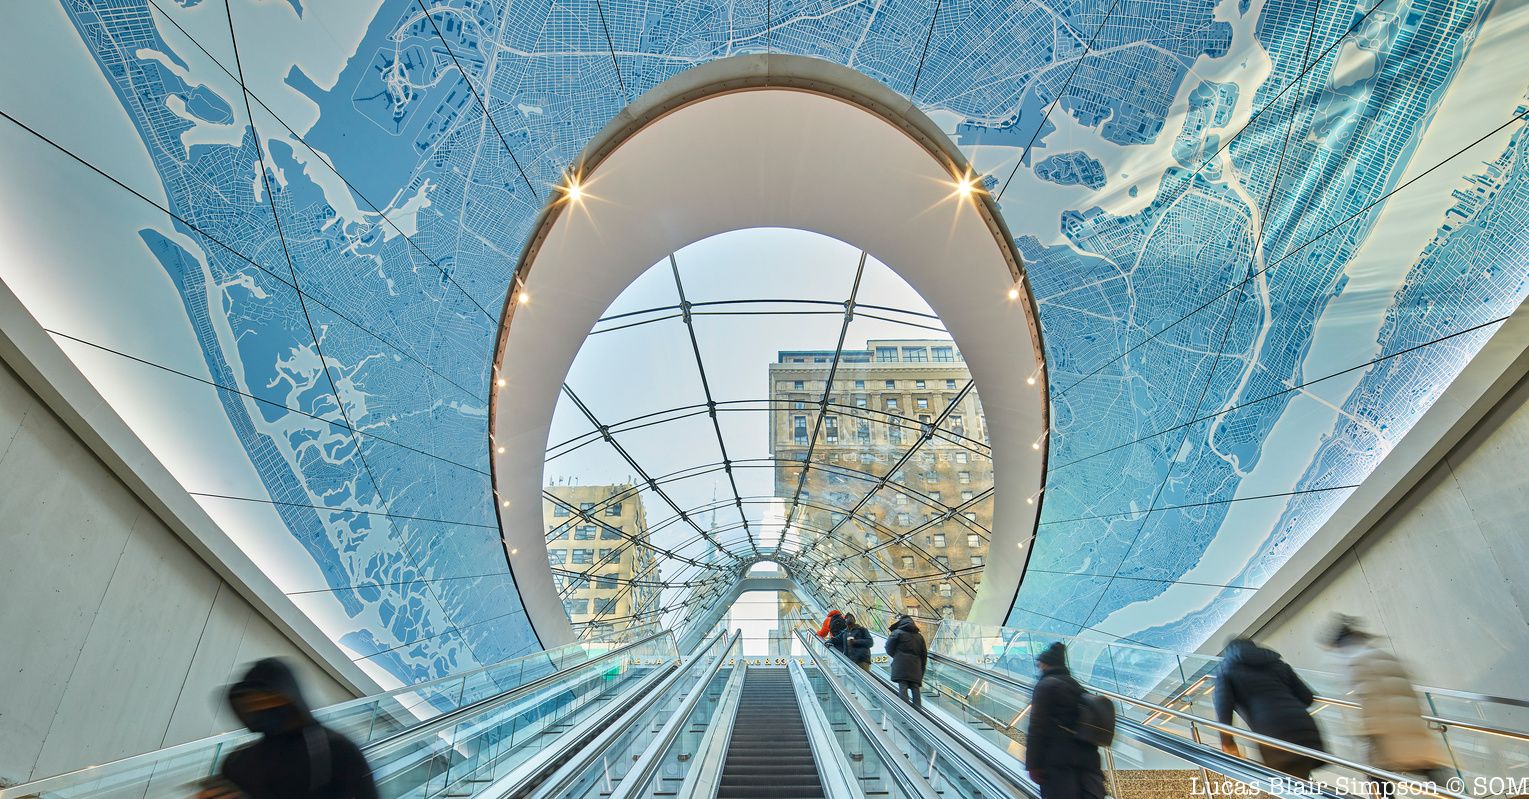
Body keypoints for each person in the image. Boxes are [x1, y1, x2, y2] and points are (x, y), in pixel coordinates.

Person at [196, 658, 378, 799]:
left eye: (270, 699)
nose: (260, 708)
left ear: (291, 699)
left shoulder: (337, 751)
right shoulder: (239, 759)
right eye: (252, 703)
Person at [1325, 616, 1453, 785]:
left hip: (1389, 738)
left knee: (1375, 776)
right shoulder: (1384, 656)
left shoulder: (1356, 662)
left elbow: (1369, 701)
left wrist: (1367, 733)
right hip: (1412, 730)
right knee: (1432, 773)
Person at [1213, 638, 1326, 780]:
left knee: (1284, 788)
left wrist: (1228, 744)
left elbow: (1223, 712)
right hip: (1306, 729)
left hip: (1275, 737)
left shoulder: (1225, 672)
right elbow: (1307, 697)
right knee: (1299, 782)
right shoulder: (1276, 663)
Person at [1026, 643, 1106, 799]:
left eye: (1040, 663)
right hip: (1087, 759)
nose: (1039, 667)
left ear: (1047, 664)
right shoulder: (1075, 685)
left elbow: (1037, 727)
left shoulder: (1045, 686)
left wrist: (1033, 765)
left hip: (1059, 762)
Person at [885, 614, 927, 708]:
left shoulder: (897, 633)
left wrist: (897, 656)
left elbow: (888, 648)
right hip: (915, 667)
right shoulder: (919, 637)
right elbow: (924, 655)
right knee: (915, 688)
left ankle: (905, 711)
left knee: (903, 687)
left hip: (901, 665)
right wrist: (922, 670)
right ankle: (918, 713)